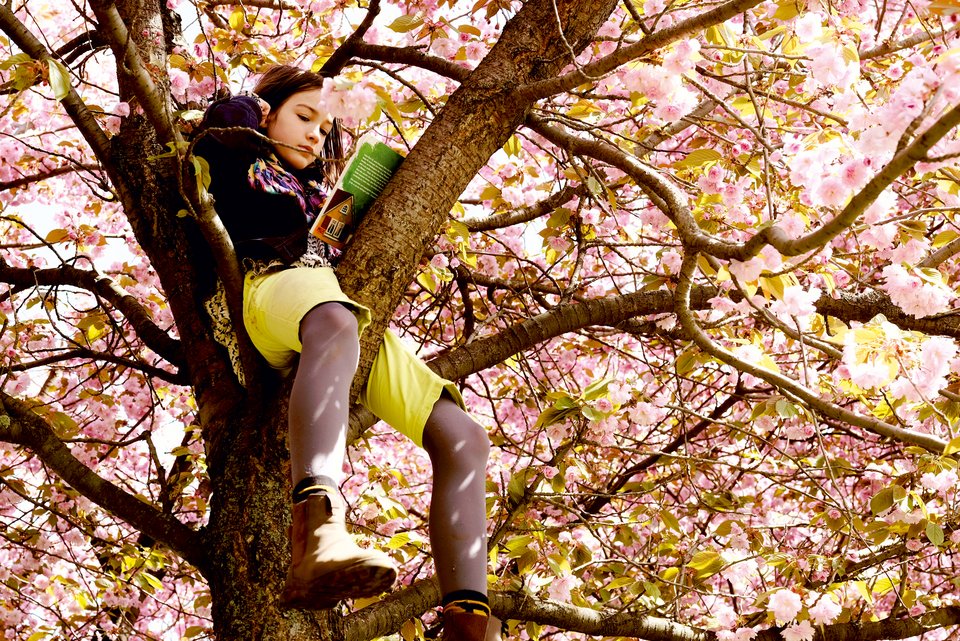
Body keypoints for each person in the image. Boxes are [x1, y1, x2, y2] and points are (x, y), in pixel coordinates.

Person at [195, 65, 499, 641]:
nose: (315, 135)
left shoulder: (316, 192)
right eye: (303, 117)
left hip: (331, 308)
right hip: (269, 290)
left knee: (464, 437)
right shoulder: (239, 148)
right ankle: (318, 530)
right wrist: (253, 108)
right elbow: (225, 128)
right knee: (334, 322)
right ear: (267, 113)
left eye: (325, 127)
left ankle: (468, 622)